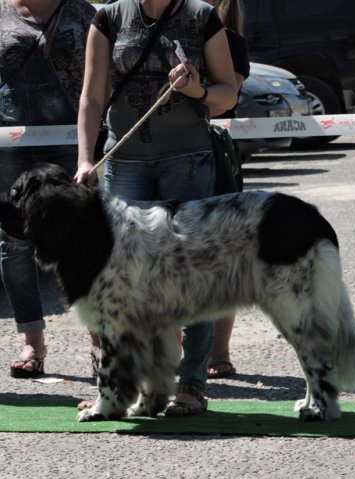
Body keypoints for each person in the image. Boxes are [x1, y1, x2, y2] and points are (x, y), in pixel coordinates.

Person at [75, 0, 237, 416]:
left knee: (193, 276)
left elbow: (227, 94)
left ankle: (192, 387)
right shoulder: (108, 17)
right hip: (124, 165)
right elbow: (92, 98)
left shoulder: (202, 17)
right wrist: (84, 159)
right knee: (124, 288)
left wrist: (196, 90)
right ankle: (126, 388)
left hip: (189, 163)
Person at [0, 0, 95, 379]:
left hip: (68, 136)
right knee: (15, 241)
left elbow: (106, 63)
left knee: (79, 241)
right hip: (6, 140)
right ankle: (32, 342)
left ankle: (100, 342)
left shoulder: (82, 11)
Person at [205, 0, 249, 380]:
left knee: (223, 263)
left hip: (218, 160)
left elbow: (222, 106)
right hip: (169, 152)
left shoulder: (231, 42)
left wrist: (190, 89)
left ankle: (219, 351)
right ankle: (185, 354)